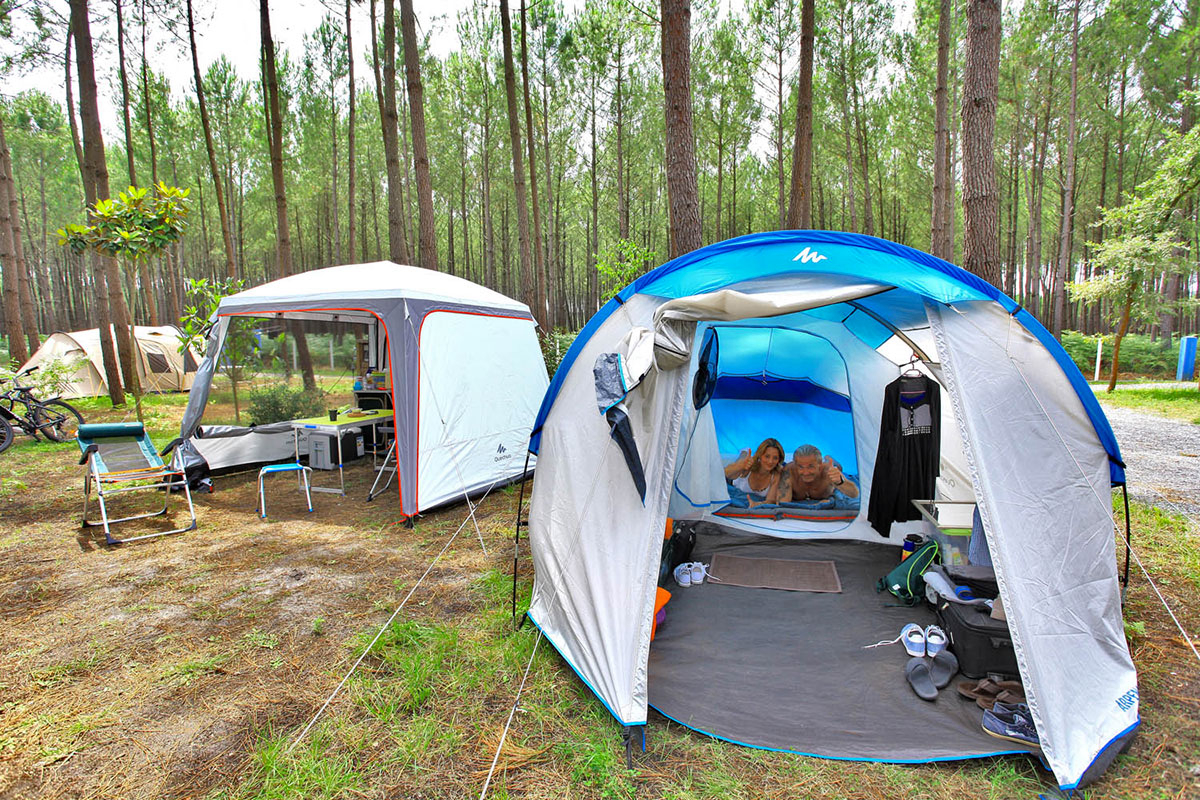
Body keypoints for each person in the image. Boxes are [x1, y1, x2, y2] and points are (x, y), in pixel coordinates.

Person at [780, 444, 860, 502]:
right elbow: (783, 502)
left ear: (820, 464)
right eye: (800, 467)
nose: (806, 472)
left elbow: (854, 494)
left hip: (829, 466)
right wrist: (814, 506)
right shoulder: (789, 471)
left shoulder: (828, 471)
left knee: (838, 467)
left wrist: (840, 482)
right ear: (795, 464)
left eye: (811, 466)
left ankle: (828, 457)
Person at [724, 438, 786, 506]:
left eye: (775, 458)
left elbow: (770, 501)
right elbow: (724, 473)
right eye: (767, 456)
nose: (770, 461)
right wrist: (741, 466)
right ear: (760, 455)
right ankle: (744, 452)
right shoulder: (749, 465)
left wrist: (756, 504)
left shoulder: (776, 474)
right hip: (735, 480)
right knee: (742, 460)